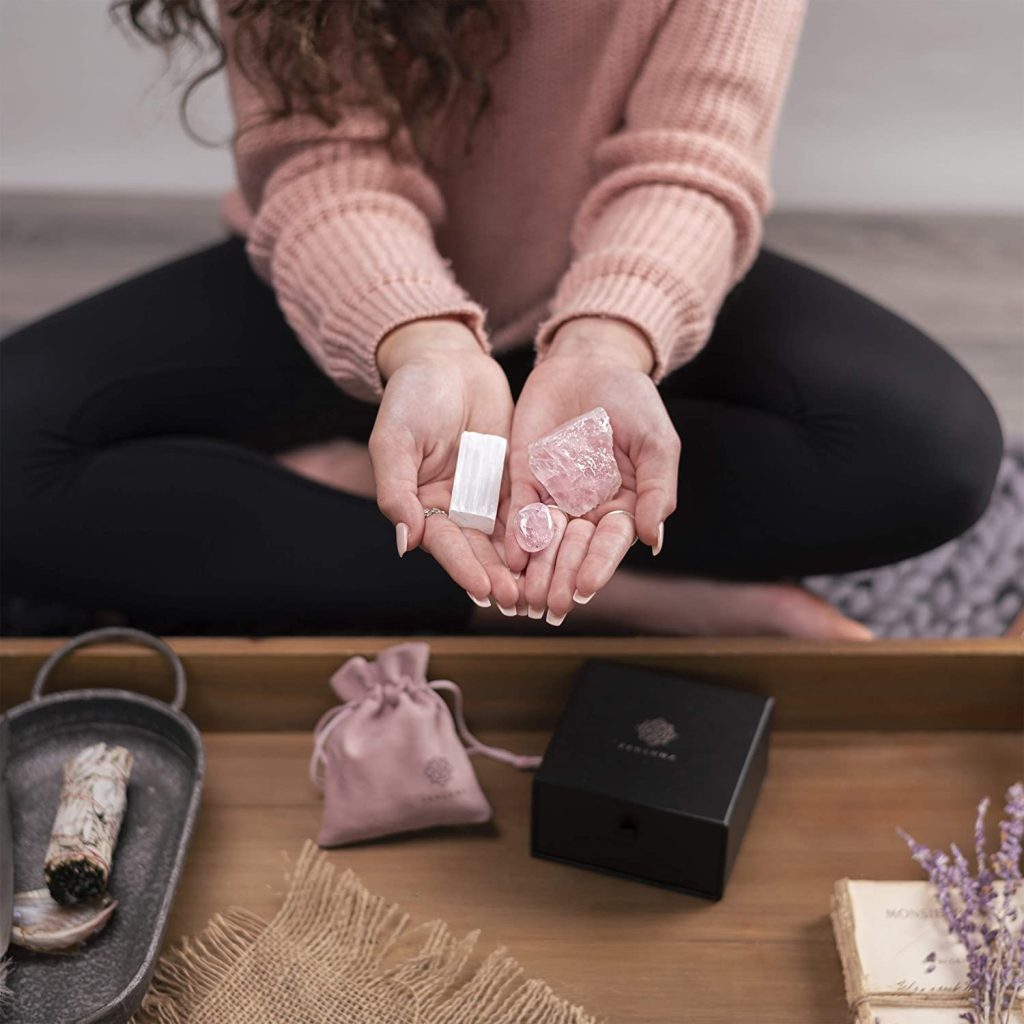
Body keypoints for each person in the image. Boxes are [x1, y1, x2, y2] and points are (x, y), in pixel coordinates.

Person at [0, 0, 1003, 638]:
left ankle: (373, 508)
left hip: (605, 280)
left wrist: (609, 337)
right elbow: (324, 167)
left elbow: (690, 159)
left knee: (934, 452)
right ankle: (614, 597)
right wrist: (424, 343)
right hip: (357, 286)